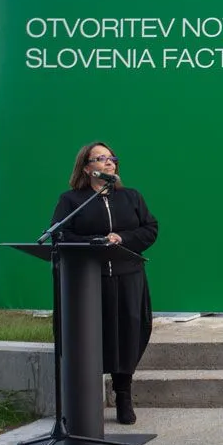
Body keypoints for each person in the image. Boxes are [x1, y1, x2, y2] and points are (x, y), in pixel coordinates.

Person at [50, 142, 158, 424]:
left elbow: (150, 229)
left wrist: (122, 238)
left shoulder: (131, 197)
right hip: (89, 281)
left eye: (112, 158)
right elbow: (60, 234)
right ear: (87, 168)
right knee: (91, 334)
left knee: (128, 334)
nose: (109, 162)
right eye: (101, 158)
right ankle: (83, 401)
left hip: (127, 277)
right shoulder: (72, 201)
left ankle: (123, 395)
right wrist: (94, 242)